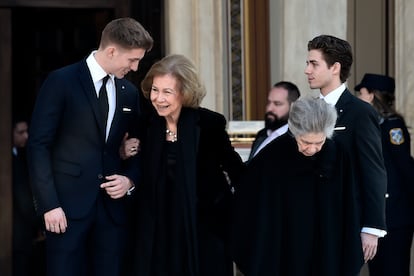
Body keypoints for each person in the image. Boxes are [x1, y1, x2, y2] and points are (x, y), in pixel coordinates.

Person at [27, 17, 153, 276]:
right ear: (111, 51)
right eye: (132, 60)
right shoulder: (61, 81)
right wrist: (48, 204)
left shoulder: (129, 92)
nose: (136, 66)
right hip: (65, 210)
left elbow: (142, 147)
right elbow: (38, 145)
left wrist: (130, 180)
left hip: (112, 213)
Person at [127, 54, 245, 276]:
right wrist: (124, 153)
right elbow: (134, 169)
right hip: (157, 233)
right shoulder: (144, 124)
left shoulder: (210, 124)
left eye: (167, 92)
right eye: (155, 89)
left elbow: (236, 170)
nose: (158, 98)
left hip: (202, 231)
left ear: (184, 93)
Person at [231, 96, 342, 276]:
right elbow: (248, 207)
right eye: (306, 142)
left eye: (319, 143)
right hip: (281, 254)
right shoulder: (270, 157)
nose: (312, 149)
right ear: (294, 132)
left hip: (323, 251)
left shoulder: (336, 154)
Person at [305, 34, 387, 275]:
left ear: (335, 68)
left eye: (314, 63)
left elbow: (373, 170)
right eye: (308, 63)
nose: (307, 70)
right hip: (310, 220)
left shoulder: (360, 113)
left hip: (344, 221)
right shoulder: (307, 109)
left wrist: (372, 227)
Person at [354, 73, 414, 276]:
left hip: (395, 216)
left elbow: (405, 168)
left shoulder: (392, 126)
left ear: (371, 96)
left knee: (394, 269)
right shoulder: (371, 125)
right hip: (377, 217)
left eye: (362, 93)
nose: (359, 97)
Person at [12, 118, 44, 276]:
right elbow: (23, 197)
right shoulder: (11, 159)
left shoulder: (21, 155)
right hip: (17, 231)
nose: (26, 136)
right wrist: (38, 222)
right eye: (20, 132)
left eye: (27, 131)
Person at [247, 81, 300, 161]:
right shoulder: (262, 134)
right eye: (268, 103)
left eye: (277, 104)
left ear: (293, 107)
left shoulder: (298, 140)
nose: (269, 108)